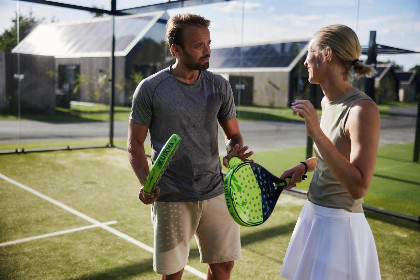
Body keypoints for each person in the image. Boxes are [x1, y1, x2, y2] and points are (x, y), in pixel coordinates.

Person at [127, 13, 253, 280]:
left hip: (216, 190)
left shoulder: (219, 86)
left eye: (209, 43)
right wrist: (146, 182)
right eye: (199, 46)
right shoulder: (150, 88)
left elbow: (234, 135)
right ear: (176, 49)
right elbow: (135, 143)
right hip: (171, 194)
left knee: (224, 265)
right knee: (173, 274)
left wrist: (234, 148)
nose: (208, 50)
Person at [279, 24, 381, 280]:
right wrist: (305, 166)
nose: (305, 62)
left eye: (310, 52)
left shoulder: (362, 110)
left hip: (340, 227)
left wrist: (316, 133)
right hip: (314, 215)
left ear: (326, 55)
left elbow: (358, 186)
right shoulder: (327, 101)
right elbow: (335, 155)